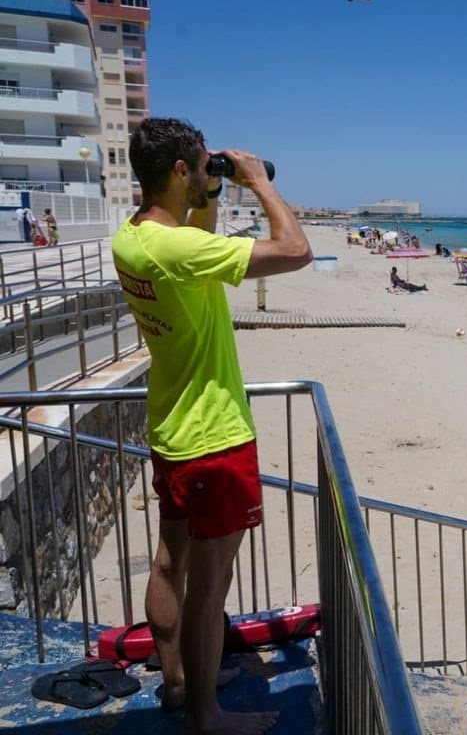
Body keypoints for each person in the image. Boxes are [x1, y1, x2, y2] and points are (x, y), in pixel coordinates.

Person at [112, 118, 311, 735]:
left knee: (170, 563)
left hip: (171, 425)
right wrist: (256, 183)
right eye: (201, 166)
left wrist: (212, 192)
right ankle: (206, 715)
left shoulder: (136, 237)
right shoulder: (179, 251)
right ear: (178, 172)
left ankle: (178, 684)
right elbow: (296, 250)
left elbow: (195, 243)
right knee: (211, 585)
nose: (209, 172)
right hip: (214, 437)